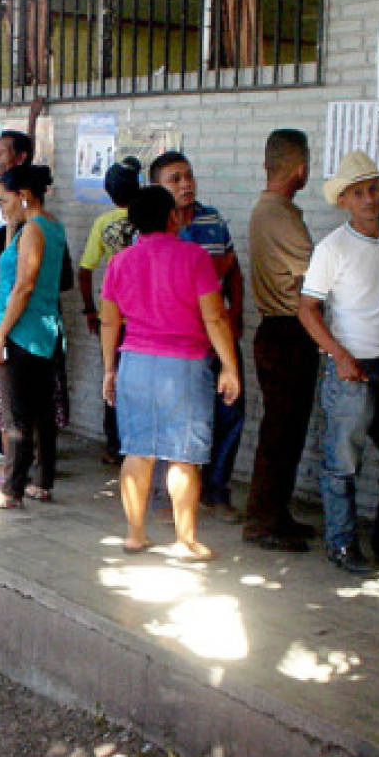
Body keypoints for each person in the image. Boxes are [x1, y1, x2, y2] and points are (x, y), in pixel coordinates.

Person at [299, 151, 379, 575]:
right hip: (352, 369)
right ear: (344, 201)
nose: (369, 198)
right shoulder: (331, 248)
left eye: (374, 188)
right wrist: (340, 356)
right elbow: (307, 309)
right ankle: (341, 545)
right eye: (359, 192)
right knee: (342, 464)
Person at [100, 186, 242, 561]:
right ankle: (185, 540)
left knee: (137, 451)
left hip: (134, 364)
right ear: (172, 217)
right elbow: (214, 316)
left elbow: (109, 322)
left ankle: (135, 534)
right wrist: (229, 365)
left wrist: (109, 370)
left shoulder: (119, 262)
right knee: (183, 457)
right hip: (184, 365)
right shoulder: (194, 257)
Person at [150, 151, 246, 520]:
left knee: (230, 411)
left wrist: (235, 315)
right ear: (158, 187)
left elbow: (233, 271)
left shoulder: (213, 219)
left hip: (218, 335)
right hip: (177, 341)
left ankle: (216, 490)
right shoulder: (152, 228)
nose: (186, 184)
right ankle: (164, 494)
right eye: (175, 179)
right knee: (174, 416)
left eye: (188, 176)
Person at [243, 130, 319, 552]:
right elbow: (315, 279)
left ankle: (276, 512)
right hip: (287, 331)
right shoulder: (277, 216)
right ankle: (262, 521)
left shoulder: (276, 211)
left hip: (285, 331)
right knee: (280, 432)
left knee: (288, 431)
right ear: (301, 169)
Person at [0, 165, 67, 509]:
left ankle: (11, 489)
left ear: (23, 196)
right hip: (45, 330)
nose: (3, 208)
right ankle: (42, 481)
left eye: (5, 201)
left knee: (16, 414)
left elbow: (23, 285)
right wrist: (13, 225)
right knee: (43, 411)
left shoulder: (33, 231)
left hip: (22, 332)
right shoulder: (51, 227)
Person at [78, 157, 142, 465]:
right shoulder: (148, 218)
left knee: (111, 378)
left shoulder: (103, 224)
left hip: (112, 315)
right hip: (145, 318)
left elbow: (85, 268)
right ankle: (137, 445)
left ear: (107, 191)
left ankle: (114, 445)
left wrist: (90, 309)